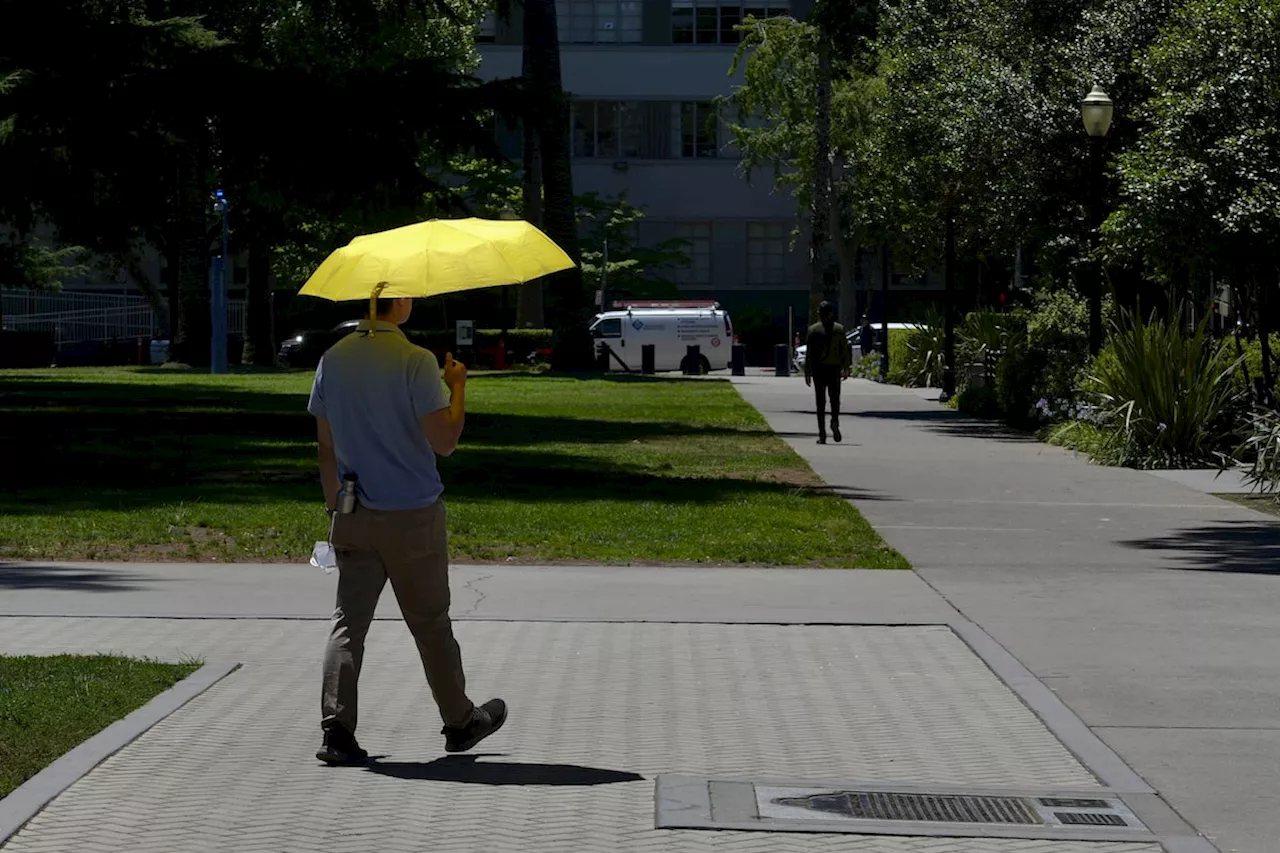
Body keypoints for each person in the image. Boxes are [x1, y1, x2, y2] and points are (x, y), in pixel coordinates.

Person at [307, 296, 506, 765]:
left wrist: (334, 500)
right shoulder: (414, 361)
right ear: (397, 301)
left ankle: (336, 732)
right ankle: (460, 722)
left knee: (347, 625)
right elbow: (445, 441)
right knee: (430, 623)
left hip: (353, 510)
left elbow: (325, 443)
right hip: (412, 513)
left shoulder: (332, 360)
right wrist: (457, 387)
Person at [804, 301, 852, 444]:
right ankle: (834, 421)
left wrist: (808, 371)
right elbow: (844, 350)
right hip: (834, 369)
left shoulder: (814, 330)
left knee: (820, 402)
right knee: (835, 400)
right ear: (831, 313)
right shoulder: (839, 329)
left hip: (819, 370)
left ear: (820, 313)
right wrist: (846, 367)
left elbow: (809, 354)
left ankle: (822, 434)